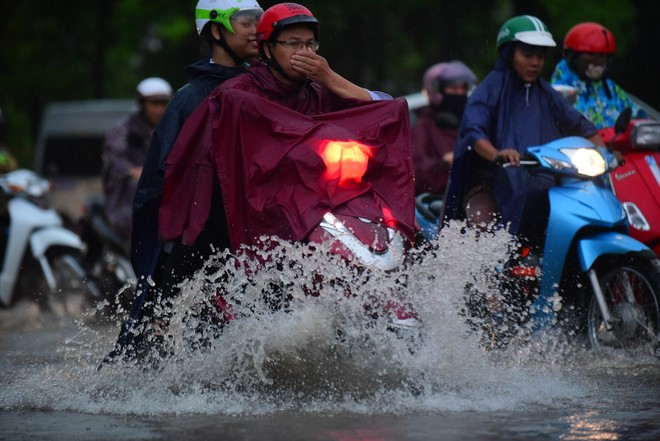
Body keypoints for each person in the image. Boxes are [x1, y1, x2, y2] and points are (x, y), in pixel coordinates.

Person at [105, 0, 265, 362]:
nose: (256, 29)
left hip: (256, 230)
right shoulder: (190, 99)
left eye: (260, 21)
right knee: (165, 319)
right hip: (204, 231)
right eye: (245, 22)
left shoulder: (267, 86)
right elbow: (160, 180)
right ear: (215, 30)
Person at [444, 15, 604, 246]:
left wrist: (605, 152)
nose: (535, 63)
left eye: (540, 56)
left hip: (538, 186)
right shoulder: (489, 89)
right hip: (489, 186)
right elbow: (473, 132)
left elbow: (579, 124)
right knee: (485, 233)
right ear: (509, 54)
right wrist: (497, 154)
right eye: (527, 55)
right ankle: (485, 281)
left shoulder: (546, 92)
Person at [101, 77, 172, 256]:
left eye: (163, 103)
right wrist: (134, 171)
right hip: (126, 197)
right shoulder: (122, 131)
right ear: (142, 104)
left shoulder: (172, 128)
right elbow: (117, 160)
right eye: (154, 103)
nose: (159, 109)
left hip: (164, 192)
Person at [551, 22, 647, 129]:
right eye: (591, 54)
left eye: (603, 55)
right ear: (572, 56)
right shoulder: (558, 89)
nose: (598, 61)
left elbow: (638, 118)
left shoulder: (609, 88)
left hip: (612, 145)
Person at [411, 61, 477, 197]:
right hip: (434, 204)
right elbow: (415, 171)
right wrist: (444, 163)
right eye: (453, 89)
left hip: (470, 197)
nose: (459, 93)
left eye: (462, 89)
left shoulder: (471, 123)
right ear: (437, 91)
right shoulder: (423, 126)